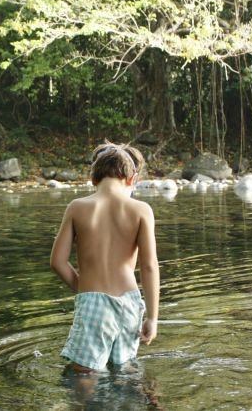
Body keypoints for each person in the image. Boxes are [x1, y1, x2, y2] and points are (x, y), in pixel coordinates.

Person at [50, 142, 160, 372]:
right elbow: (149, 266)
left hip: (93, 302)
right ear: (131, 180)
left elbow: (58, 262)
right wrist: (152, 317)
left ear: (94, 179)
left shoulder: (77, 207)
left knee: (84, 374)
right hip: (130, 302)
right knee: (124, 369)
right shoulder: (141, 210)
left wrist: (84, 288)